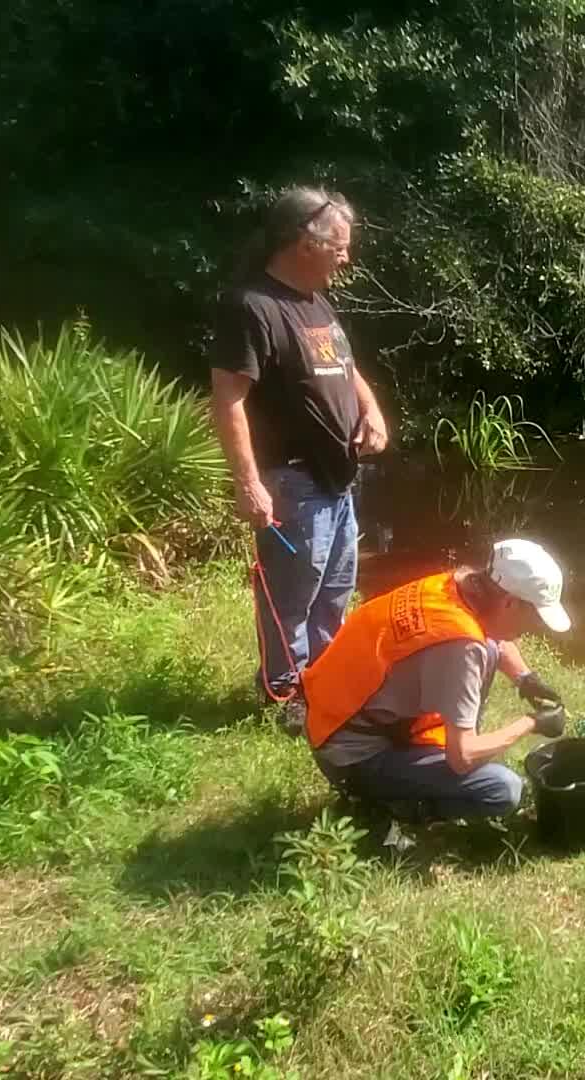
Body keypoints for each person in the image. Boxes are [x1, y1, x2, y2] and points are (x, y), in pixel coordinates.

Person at [209, 187, 389, 729]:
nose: (346, 257)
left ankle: (324, 684)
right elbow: (228, 399)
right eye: (338, 246)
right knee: (291, 596)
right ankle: (285, 699)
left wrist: (372, 411)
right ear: (303, 243)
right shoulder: (251, 306)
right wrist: (248, 483)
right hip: (291, 480)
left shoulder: (316, 302)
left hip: (338, 479)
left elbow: (345, 366)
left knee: (334, 591)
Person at [300, 538, 573, 823]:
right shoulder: (463, 647)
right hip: (351, 756)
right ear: (509, 602)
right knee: (502, 788)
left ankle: (423, 764)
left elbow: (496, 638)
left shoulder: (458, 586)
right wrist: (531, 723)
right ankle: (397, 810)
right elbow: (463, 757)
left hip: (330, 718)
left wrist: (525, 678)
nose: (531, 628)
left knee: (490, 648)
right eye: (533, 616)